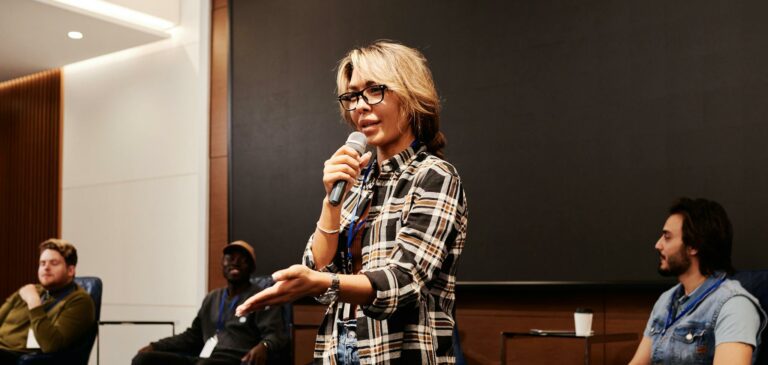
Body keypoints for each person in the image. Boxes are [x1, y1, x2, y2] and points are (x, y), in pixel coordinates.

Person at [236, 40, 468, 364]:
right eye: (352, 96)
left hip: (399, 353)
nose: (359, 106)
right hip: (337, 349)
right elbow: (316, 267)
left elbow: (403, 283)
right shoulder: (356, 177)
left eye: (374, 90)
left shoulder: (435, 176)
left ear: (410, 94)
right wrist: (331, 202)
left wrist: (323, 281)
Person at [629, 198, 766, 365]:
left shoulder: (735, 306)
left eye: (667, 237)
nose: (658, 245)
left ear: (693, 246)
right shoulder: (666, 300)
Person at [132, 241, 288, 365]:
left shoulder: (261, 297)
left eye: (242, 259)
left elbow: (276, 335)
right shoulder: (212, 298)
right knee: (143, 360)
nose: (235, 263)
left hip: (236, 360)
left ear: (251, 268)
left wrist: (264, 347)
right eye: (230, 258)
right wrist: (155, 346)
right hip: (204, 358)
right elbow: (192, 336)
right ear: (222, 264)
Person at [0, 239, 95, 362]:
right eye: (42, 263)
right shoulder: (29, 290)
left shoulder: (79, 301)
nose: (46, 268)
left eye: (54, 263)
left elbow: (51, 345)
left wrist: (34, 303)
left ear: (70, 270)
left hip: (18, 357)